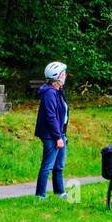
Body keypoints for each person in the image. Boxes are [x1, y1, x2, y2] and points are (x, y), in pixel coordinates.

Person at [35, 61, 69, 199]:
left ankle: (59, 192)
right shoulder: (50, 93)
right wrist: (58, 137)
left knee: (59, 166)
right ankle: (40, 195)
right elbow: (51, 117)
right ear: (58, 76)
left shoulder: (58, 91)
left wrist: (62, 135)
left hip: (60, 133)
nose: (65, 75)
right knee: (47, 166)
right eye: (63, 73)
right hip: (51, 135)